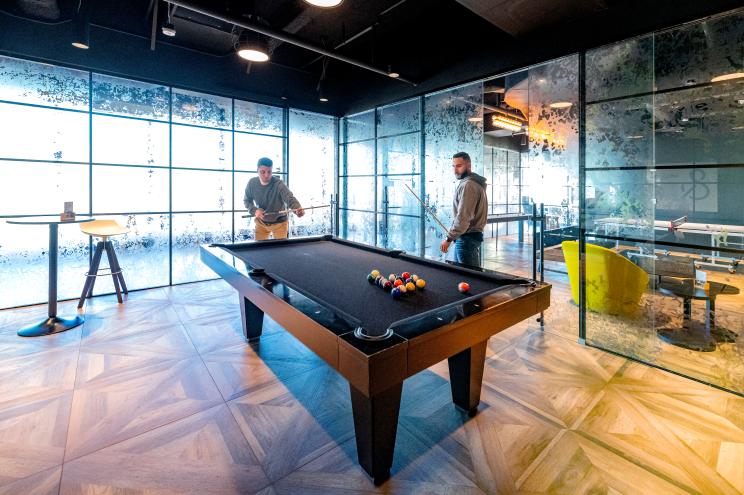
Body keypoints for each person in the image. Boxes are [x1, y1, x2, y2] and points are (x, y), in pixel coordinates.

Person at [439, 151, 488, 267]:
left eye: (459, 166)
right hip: (465, 238)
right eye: (454, 166)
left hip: (467, 240)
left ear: (469, 166)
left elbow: (463, 217)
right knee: (461, 277)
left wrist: (449, 238)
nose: (455, 170)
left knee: (472, 280)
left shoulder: (469, 185)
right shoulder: (471, 183)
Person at [243, 157, 304, 240]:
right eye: (263, 172)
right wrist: (255, 210)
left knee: (281, 250)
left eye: (269, 172)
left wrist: (297, 209)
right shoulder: (251, 183)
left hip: (280, 223)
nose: (266, 175)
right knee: (259, 249)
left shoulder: (279, 184)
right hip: (261, 222)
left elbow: (290, 198)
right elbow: (247, 201)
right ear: (257, 170)